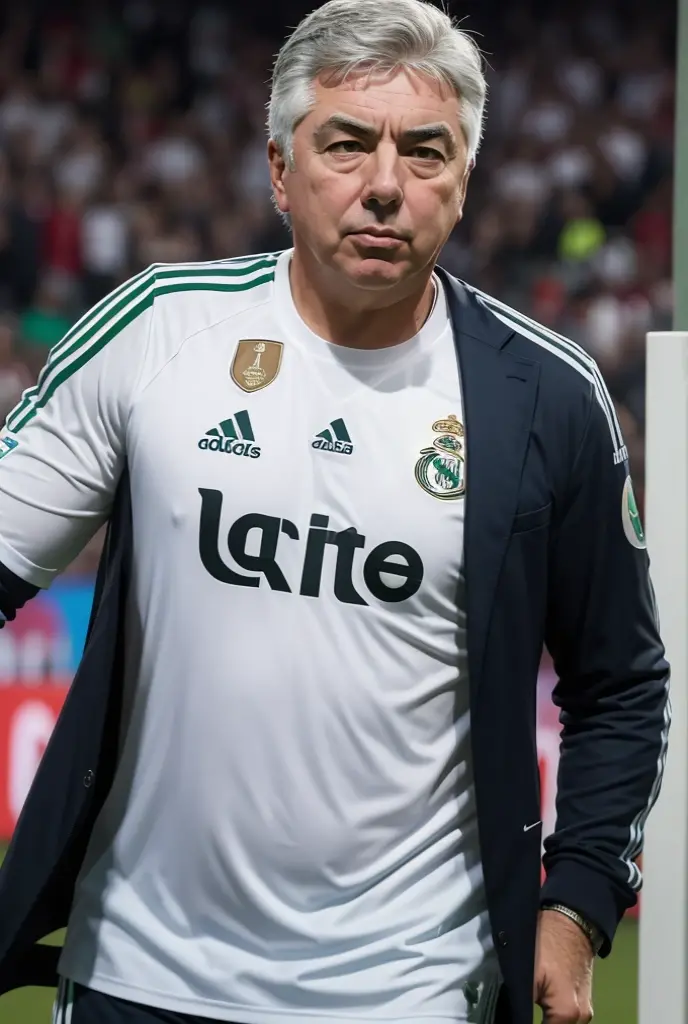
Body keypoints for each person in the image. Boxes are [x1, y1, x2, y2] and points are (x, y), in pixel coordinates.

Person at [0, 2, 670, 1023]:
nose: (385, 186)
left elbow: (620, 680)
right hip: (139, 975)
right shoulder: (158, 335)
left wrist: (576, 904)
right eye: (346, 145)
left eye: (424, 152)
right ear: (281, 170)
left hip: (412, 991)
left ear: (463, 181)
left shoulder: (547, 395)